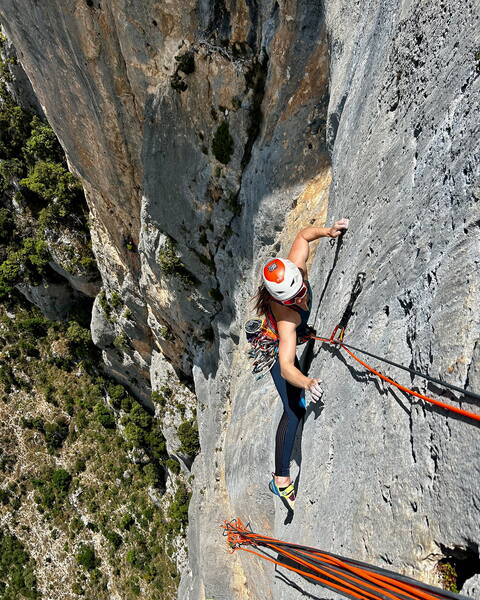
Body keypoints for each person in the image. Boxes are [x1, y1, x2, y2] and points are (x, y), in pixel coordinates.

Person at [254, 218, 349, 510]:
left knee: (297, 394)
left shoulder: (295, 265)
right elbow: (285, 365)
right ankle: (280, 480)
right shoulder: (286, 319)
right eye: (296, 297)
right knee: (293, 410)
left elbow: (304, 235)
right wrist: (307, 383)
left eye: (301, 290)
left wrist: (329, 231)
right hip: (272, 348)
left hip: (292, 335)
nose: (303, 297)